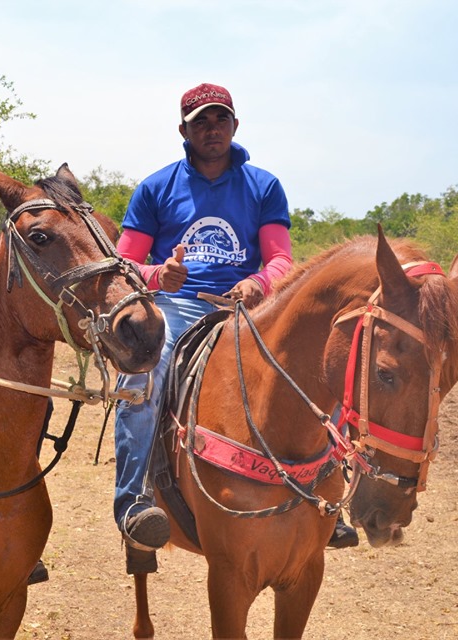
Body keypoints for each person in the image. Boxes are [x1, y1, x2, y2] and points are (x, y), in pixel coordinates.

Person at [111, 82, 358, 554]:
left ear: (235, 125)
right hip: (178, 306)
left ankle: (333, 499)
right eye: (201, 121)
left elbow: (281, 260)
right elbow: (125, 265)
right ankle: (133, 500)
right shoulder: (155, 187)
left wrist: (259, 283)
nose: (212, 129)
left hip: (248, 307)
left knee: (324, 370)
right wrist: (160, 274)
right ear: (182, 130)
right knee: (143, 379)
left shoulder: (263, 186)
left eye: (220, 119)